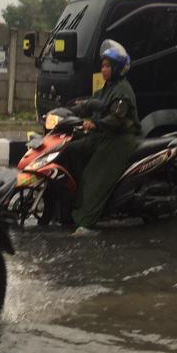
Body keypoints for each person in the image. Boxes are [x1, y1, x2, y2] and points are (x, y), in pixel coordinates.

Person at [63, 39, 141, 237]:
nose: (104, 70)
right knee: (72, 149)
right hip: (103, 135)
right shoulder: (106, 88)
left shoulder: (122, 90)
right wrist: (64, 112)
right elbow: (89, 104)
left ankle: (87, 223)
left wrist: (95, 124)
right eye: (103, 66)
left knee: (93, 176)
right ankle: (69, 208)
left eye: (107, 66)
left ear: (117, 68)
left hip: (120, 139)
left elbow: (116, 119)